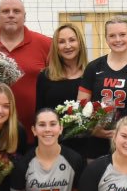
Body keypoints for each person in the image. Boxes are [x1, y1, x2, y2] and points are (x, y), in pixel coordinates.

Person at [81, 16, 127, 159]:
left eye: (122, 34)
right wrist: (94, 130)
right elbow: (81, 108)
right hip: (97, 146)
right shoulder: (94, 67)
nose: (117, 39)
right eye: (112, 36)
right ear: (106, 38)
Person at [0, 0, 52, 130]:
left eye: (16, 11)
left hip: (34, 131)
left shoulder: (45, 44)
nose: (11, 15)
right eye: (5, 11)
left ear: (25, 16)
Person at [6, 108, 85, 191]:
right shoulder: (23, 164)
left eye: (53, 124)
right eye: (42, 125)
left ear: (60, 128)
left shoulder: (74, 159)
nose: (47, 129)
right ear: (34, 130)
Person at [35, 24, 88, 153]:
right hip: (53, 146)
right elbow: (39, 114)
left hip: (86, 146)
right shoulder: (46, 76)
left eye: (72, 40)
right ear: (56, 47)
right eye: (61, 42)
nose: (68, 46)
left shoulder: (91, 73)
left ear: (80, 43)